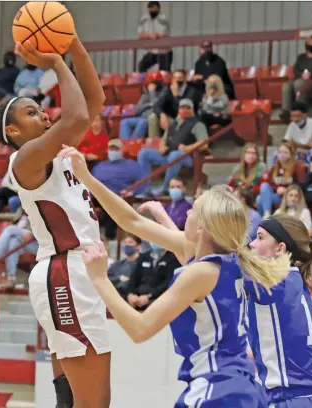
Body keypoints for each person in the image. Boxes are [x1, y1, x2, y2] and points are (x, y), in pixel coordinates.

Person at [57, 146, 291, 408]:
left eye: (193, 209)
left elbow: (139, 329)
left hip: (218, 389)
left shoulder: (200, 273)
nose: (187, 212)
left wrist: (100, 278)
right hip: (244, 386)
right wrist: (87, 179)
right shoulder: (227, 260)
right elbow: (132, 221)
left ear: (203, 228)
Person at [0, 33, 110, 408]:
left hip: (80, 270)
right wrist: (55, 63)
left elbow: (95, 101)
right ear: (13, 132)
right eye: (31, 112)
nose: (43, 113)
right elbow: (78, 115)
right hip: (64, 271)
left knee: (73, 400)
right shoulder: (24, 161)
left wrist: (75, 48)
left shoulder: (60, 151)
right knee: (93, 402)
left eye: (41, 109)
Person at [247, 214, 312, 407]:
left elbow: (208, 264)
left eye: (260, 237)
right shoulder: (300, 282)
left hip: (292, 399)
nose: (252, 245)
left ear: (280, 249)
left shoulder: (272, 283)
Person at [137, 98, 208, 197]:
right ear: (178, 110)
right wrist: (162, 147)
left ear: (192, 110)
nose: (184, 110)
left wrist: (187, 148)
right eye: (182, 107)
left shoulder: (197, 124)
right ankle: (145, 188)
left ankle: (166, 187)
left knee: (175, 155)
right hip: (168, 155)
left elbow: (204, 144)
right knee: (143, 154)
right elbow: (163, 140)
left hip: (188, 157)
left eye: (188, 108)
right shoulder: (173, 124)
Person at [92, 138, 147, 239]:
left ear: (122, 150)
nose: (113, 152)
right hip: (97, 197)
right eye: (111, 149)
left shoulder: (132, 165)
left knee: (112, 208)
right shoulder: (99, 166)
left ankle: (110, 237)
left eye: (116, 149)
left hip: (117, 198)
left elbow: (144, 181)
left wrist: (133, 191)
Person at [280, 36, 312, 119]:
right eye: (309, 44)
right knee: (286, 86)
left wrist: (310, 75)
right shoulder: (301, 57)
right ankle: (286, 110)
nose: (311, 45)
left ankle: (300, 110)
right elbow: (295, 69)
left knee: (298, 84)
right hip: (299, 77)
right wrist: (301, 74)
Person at [256, 143, 306, 218]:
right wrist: (277, 188)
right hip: (278, 196)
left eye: (285, 152)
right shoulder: (274, 167)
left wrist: (287, 190)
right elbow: (270, 183)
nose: (282, 154)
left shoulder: (297, 166)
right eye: (280, 152)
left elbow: (302, 184)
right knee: (263, 189)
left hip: (290, 196)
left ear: (291, 154)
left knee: (260, 200)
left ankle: (264, 220)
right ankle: (267, 214)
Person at [126, 243, 180, 310]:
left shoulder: (173, 259)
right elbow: (133, 277)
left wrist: (149, 296)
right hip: (138, 295)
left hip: (158, 297)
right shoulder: (144, 257)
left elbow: (168, 282)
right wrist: (131, 293)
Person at [137, 1, 172, 73]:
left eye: (154, 9)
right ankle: (144, 82)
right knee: (142, 66)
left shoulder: (163, 18)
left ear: (159, 9)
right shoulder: (144, 18)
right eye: (151, 9)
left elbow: (160, 35)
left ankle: (164, 84)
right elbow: (140, 35)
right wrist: (150, 35)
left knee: (164, 72)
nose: (152, 11)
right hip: (152, 51)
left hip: (164, 51)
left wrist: (148, 35)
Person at [107, 233, 141, 298]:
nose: (126, 245)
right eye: (125, 242)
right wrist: (119, 278)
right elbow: (106, 277)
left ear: (137, 246)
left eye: (130, 242)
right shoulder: (118, 264)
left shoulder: (142, 264)